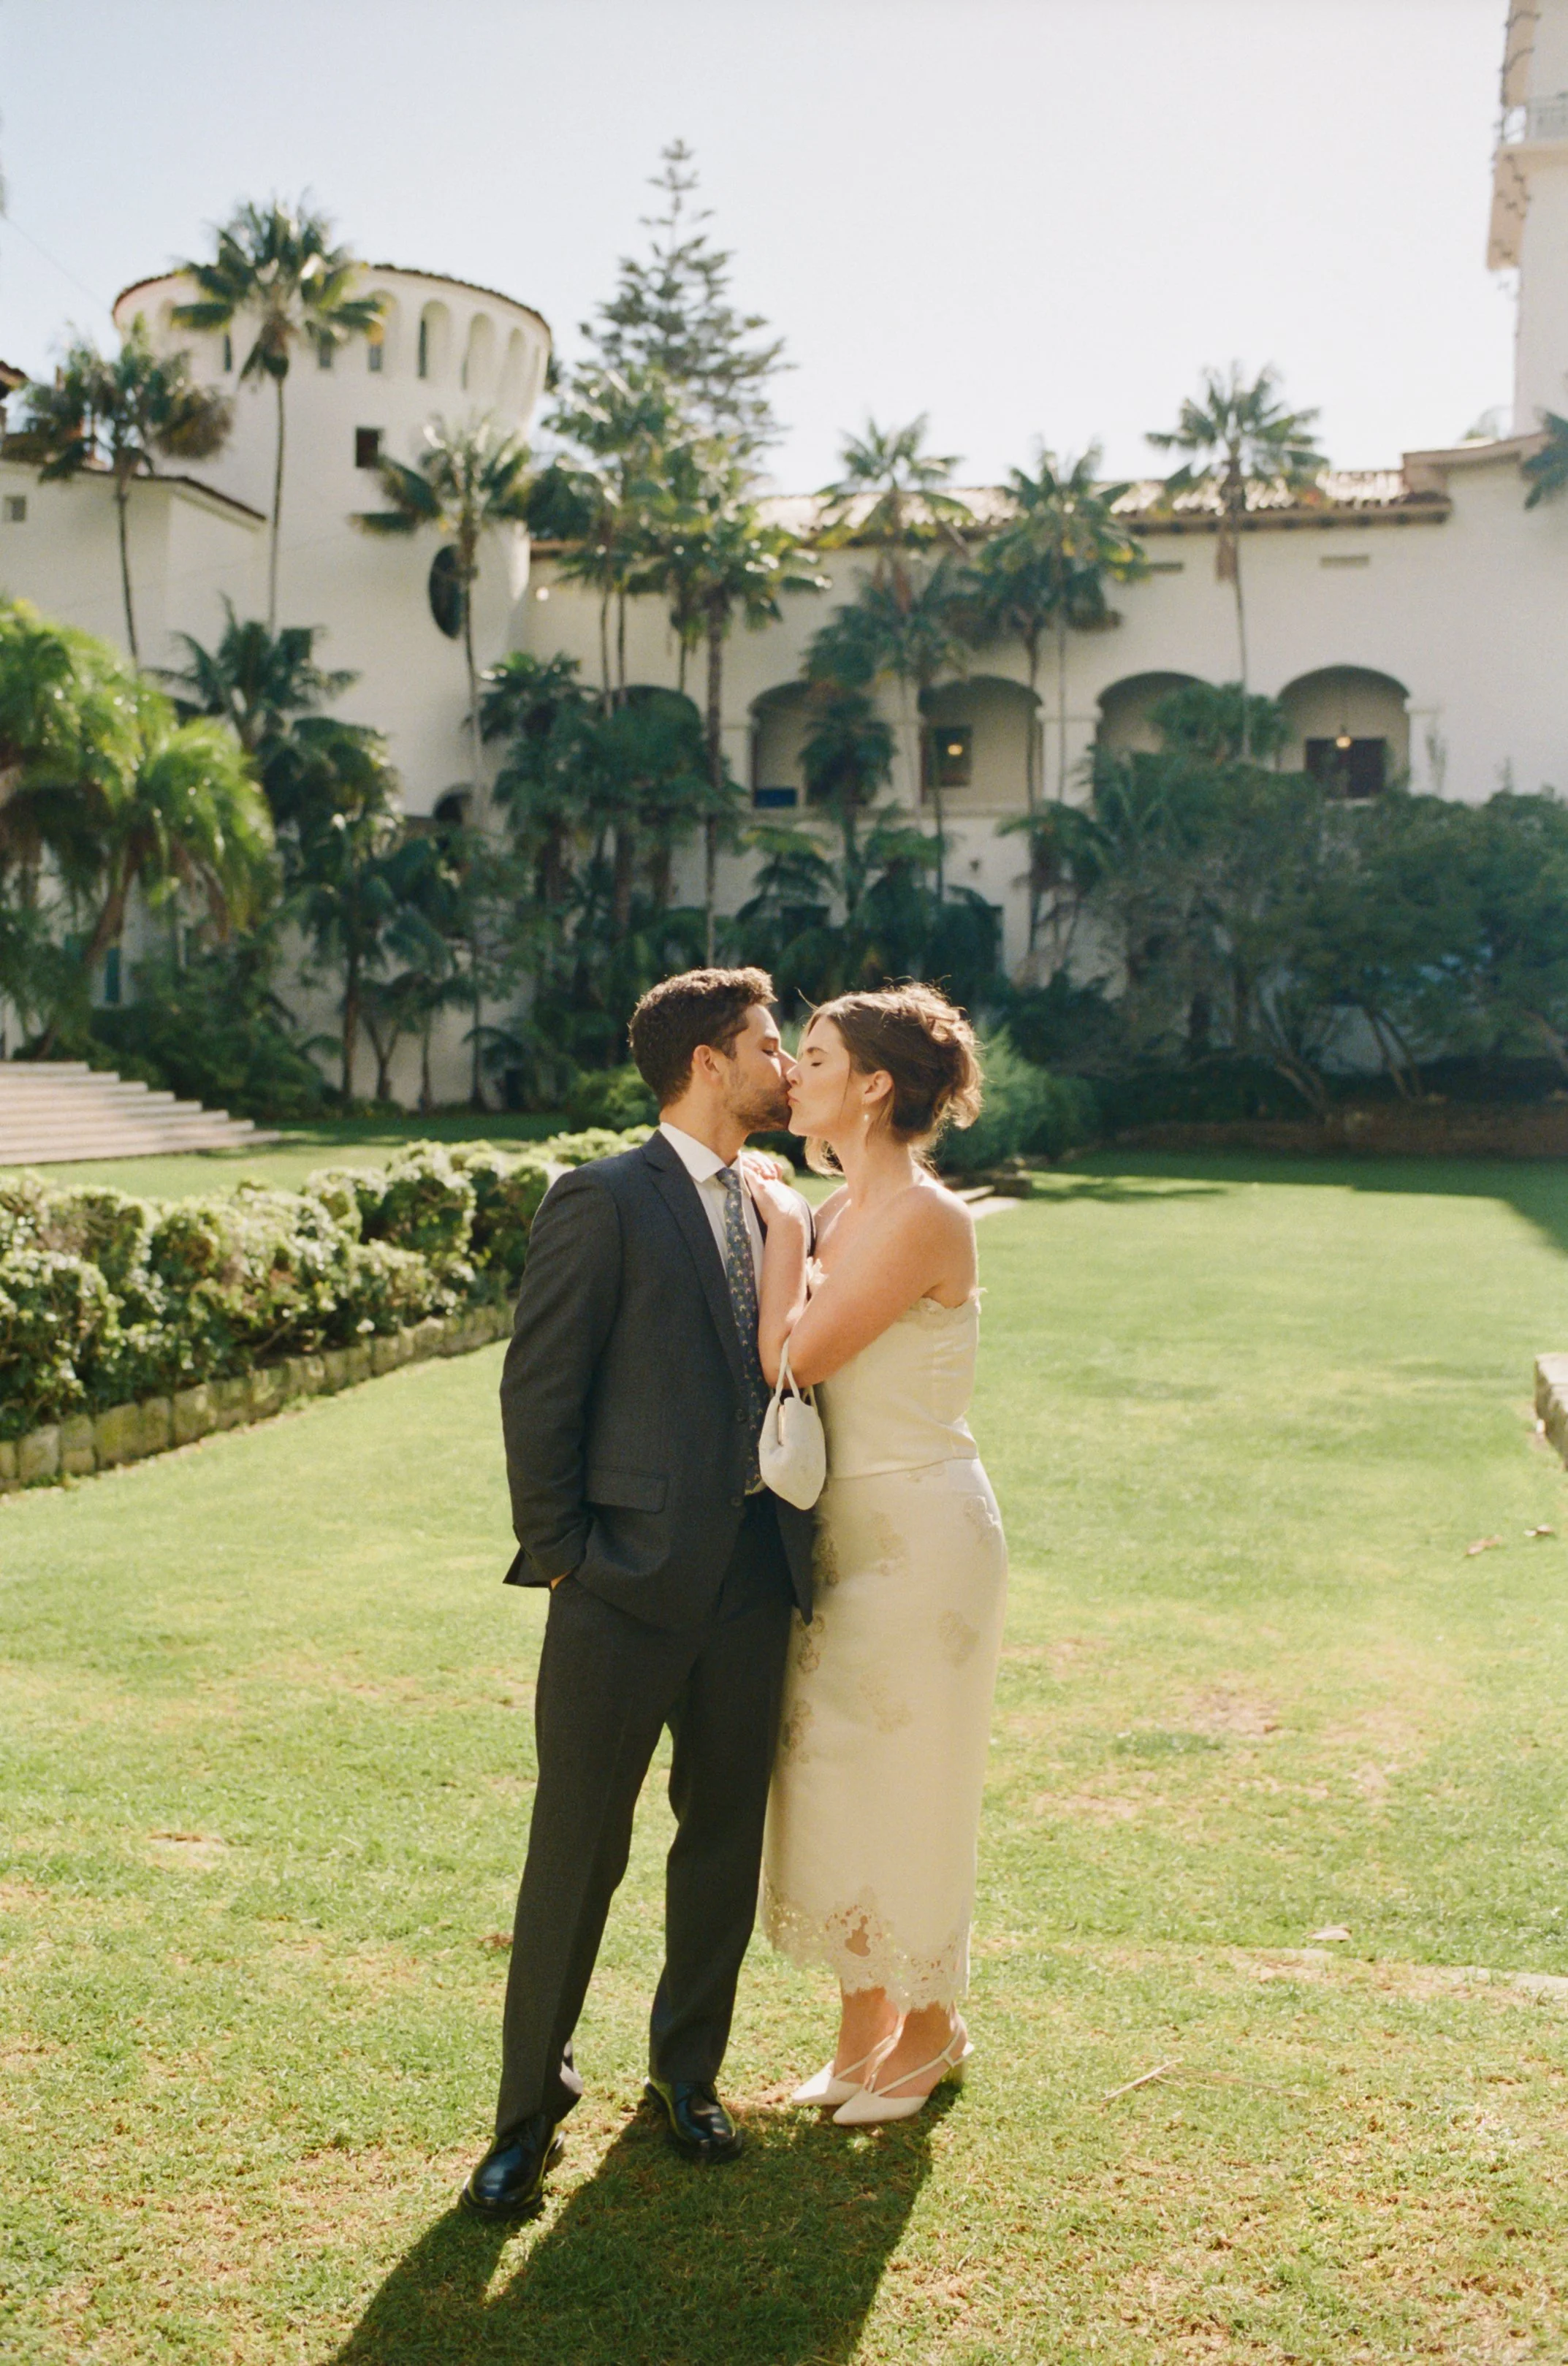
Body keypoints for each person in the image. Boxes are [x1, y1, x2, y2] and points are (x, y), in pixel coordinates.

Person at [462, 967, 816, 2220]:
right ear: (712, 1062)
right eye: (775, 1045)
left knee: (720, 1840)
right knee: (576, 1849)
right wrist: (563, 1552)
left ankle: (687, 2076)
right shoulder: (600, 1199)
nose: (791, 1066)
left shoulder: (782, 1201)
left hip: (752, 1580)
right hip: (616, 1586)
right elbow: (537, 1388)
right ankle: (524, 2115)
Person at [747, 984, 1008, 2124]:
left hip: (921, 1534)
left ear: (873, 1085)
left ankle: (935, 2021)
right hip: (841, 1531)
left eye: (811, 1056)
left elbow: (794, 1357)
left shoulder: (917, 1219)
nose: (790, 1075)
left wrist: (783, 1231)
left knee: (912, 1773)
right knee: (832, 1764)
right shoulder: (848, 1214)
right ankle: (863, 2026)